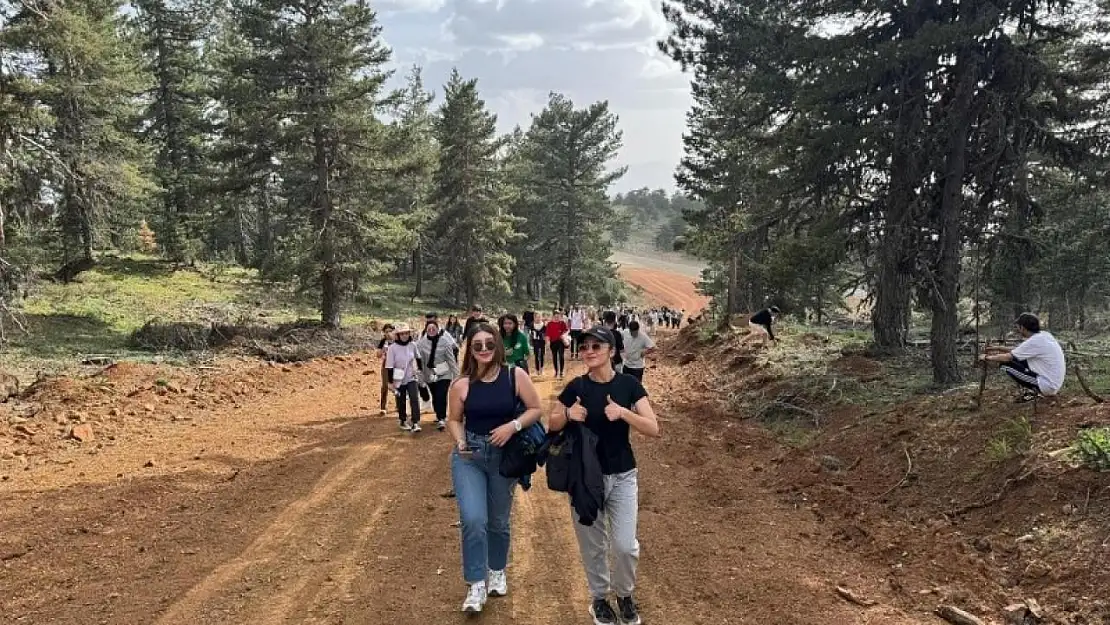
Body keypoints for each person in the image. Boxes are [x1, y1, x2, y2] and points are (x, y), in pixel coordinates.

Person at [548, 326, 661, 625]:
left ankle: (624, 595)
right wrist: (568, 415)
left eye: (597, 346)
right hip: (584, 478)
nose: (589, 351)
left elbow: (653, 428)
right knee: (593, 545)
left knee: (625, 546)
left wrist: (624, 413)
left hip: (623, 475)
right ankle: (599, 598)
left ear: (612, 351)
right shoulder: (577, 388)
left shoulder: (629, 386)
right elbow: (553, 422)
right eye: (585, 346)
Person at [447, 323, 543, 613]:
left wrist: (512, 427)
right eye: (478, 345)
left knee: (499, 521)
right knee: (474, 519)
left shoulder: (515, 375)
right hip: (470, 457)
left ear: (498, 345)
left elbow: (535, 409)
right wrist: (461, 441)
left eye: (490, 343)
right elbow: (453, 419)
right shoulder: (461, 384)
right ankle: (476, 584)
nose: (485, 349)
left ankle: (497, 570)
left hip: (504, 456)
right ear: (470, 350)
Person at [980, 313, 1066, 403]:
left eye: (1018, 327)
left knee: (1005, 364)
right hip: (1053, 381)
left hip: (1048, 385)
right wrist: (997, 348)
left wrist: (986, 357)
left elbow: (1008, 358)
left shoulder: (1035, 341)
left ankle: (1033, 392)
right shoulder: (1044, 335)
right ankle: (1031, 391)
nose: (1018, 330)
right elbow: (1018, 351)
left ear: (1023, 328)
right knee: (1017, 359)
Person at [416, 320, 459, 431]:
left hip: (444, 372)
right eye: (429, 329)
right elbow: (419, 362)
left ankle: (442, 418)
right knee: (435, 395)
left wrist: (456, 376)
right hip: (430, 374)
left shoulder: (444, 342)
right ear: (426, 330)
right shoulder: (421, 344)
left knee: (441, 394)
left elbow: (451, 359)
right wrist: (420, 377)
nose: (431, 331)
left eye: (433, 329)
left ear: (437, 329)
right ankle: (438, 413)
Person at [385, 323, 424, 432]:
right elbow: (389, 366)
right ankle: (403, 420)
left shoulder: (412, 345)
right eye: (402, 334)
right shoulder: (392, 348)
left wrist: (419, 370)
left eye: (406, 333)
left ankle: (415, 422)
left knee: (414, 399)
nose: (405, 335)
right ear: (398, 335)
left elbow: (418, 357)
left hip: (411, 376)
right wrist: (390, 383)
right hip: (398, 378)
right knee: (401, 400)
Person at [376, 324, 395, 416]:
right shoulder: (383, 341)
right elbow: (378, 355)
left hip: (397, 365)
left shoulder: (398, 340)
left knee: (398, 385)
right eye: (386, 332)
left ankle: (399, 405)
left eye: (390, 331)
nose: (388, 333)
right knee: (385, 386)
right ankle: (383, 407)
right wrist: (383, 350)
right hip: (386, 365)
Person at [546, 309, 570, 380]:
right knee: (554, 357)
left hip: (560, 341)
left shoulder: (562, 323)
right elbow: (547, 334)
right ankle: (556, 371)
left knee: (561, 356)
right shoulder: (549, 324)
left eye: (558, 316)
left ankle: (561, 372)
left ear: (560, 316)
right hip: (553, 342)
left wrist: (564, 336)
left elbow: (566, 330)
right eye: (555, 316)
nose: (557, 318)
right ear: (553, 316)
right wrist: (547, 343)